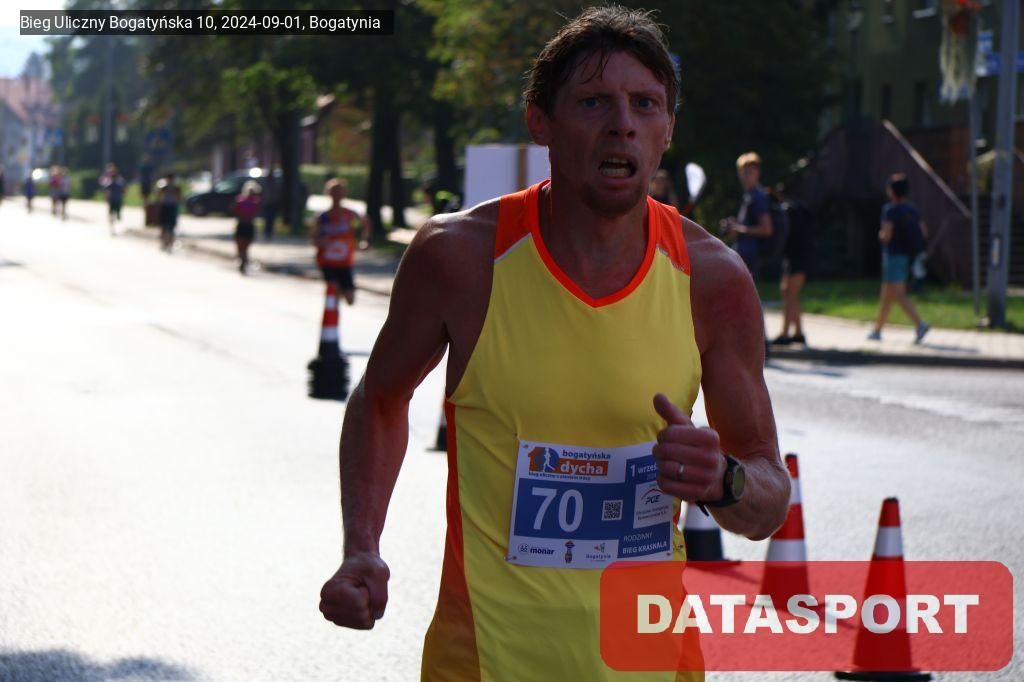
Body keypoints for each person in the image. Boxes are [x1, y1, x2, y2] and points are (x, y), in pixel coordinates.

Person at [317, 7, 790, 680]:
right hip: (484, 663)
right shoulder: (460, 258)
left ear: (667, 130)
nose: (622, 123)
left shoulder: (713, 279)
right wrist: (362, 544)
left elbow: (767, 500)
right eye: (593, 102)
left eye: (645, 104)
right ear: (540, 121)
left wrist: (724, 479)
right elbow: (381, 400)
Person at [868, 173, 930, 343]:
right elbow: (924, 233)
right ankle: (877, 330)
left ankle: (920, 324)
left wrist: (880, 235)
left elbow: (886, 236)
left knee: (898, 294)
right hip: (907, 256)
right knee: (887, 294)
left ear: (891, 191)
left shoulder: (890, 210)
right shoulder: (913, 209)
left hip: (893, 256)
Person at [312, 178, 371, 305]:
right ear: (328, 193)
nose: (337, 195)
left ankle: (336, 302)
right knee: (333, 288)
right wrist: (320, 242)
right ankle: (333, 309)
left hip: (345, 260)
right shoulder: (323, 216)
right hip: (327, 260)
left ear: (344, 194)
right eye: (334, 191)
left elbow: (366, 222)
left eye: (339, 191)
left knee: (350, 299)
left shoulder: (349, 214)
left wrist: (365, 240)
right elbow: (314, 238)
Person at [770, 184, 814, 346]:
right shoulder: (800, 209)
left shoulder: (786, 210)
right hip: (799, 255)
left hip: (796, 256)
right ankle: (798, 333)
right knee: (787, 291)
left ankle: (785, 333)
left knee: (790, 293)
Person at [721, 152, 773, 278]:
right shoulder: (749, 194)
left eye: (750, 172)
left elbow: (767, 229)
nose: (746, 176)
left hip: (751, 258)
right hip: (743, 256)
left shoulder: (758, 196)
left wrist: (739, 229)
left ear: (757, 173)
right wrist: (735, 225)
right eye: (743, 172)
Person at [233, 180, 261, 274]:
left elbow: (235, 212)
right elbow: (255, 213)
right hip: (249, 225)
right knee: (245, 246)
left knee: (240, 245)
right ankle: (244, 260)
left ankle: (242, 259)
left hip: (242, 224)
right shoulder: (256, 202)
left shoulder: (239, 200)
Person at [156, 173, 182, 253]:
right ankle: (165, 242)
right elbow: (158, 196)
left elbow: (179, 198)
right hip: (166, 206)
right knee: (164, 225)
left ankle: (170, 242)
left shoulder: (176, 188)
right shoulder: (164, 187)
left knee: (171, 226)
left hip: (171, 207)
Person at [101, 164, 127, 234]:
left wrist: (123, 194)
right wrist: (106, 198)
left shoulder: (120, 180)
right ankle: (112, 226)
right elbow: (106, 190)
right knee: (111, 214)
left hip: (118, 199)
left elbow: (124, 189)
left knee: (118, 214)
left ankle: (116, 218)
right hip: (112, 199)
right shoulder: (109, 181)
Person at [261, 169, 280, 241]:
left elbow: (277, 194)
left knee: (271, 219)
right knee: (267, 219)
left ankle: (270, 232)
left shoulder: (275, 183)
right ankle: (267, 232)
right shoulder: (265, 183)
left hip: (273, 204)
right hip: (267, 203)